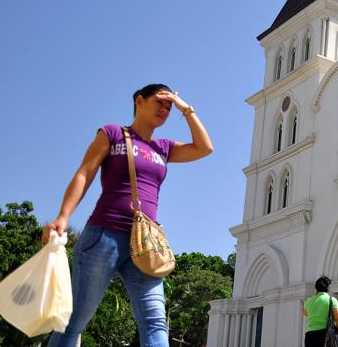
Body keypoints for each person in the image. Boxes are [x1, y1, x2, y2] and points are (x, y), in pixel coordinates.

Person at [43, 84, 213, 347]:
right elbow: (85, 172)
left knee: (155, 321)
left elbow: (204, 148)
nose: (164, 109)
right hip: (103, 236)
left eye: (168, 107)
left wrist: (185, 108)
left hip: (146, 246)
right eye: (159, 102)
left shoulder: (164, 148)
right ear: (139, 101)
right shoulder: (113, 133)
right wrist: (63, 217)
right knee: (74, 321)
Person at [302, 276, 338, 347]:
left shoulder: (308, 300)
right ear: (327, 288)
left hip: (310, 335)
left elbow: (305, 313)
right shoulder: (332, 300)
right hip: (325, 334)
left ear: (316, 288)